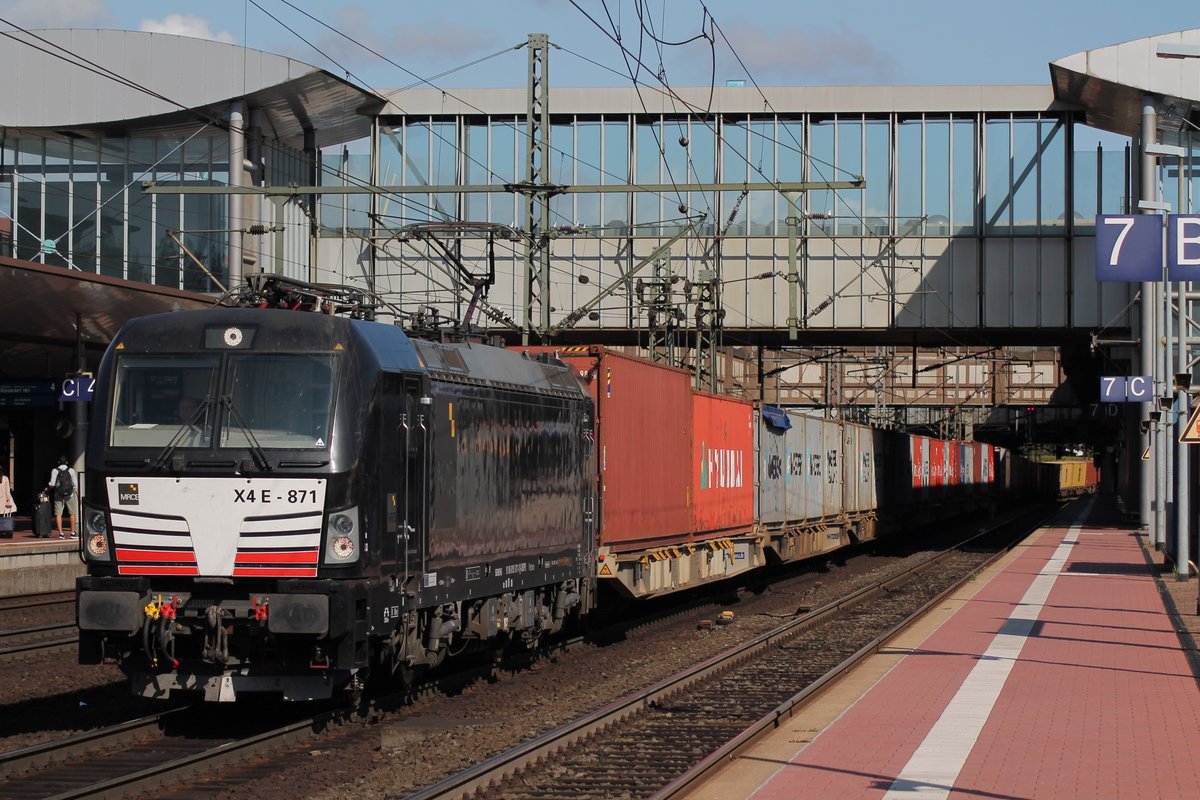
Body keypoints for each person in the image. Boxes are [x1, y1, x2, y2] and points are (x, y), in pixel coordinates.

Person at [46, 456, 79, 539]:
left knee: (58, 513)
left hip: (58, 494)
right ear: (67, 462)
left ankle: (61, 533)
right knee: (72, 513)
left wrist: (48, 488)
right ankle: (72, 533)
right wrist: (78, 494)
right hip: (70, 494)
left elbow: (52, 484)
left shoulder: (55, 470)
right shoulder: (71, 470)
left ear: (58, 462)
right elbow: (75, 484)